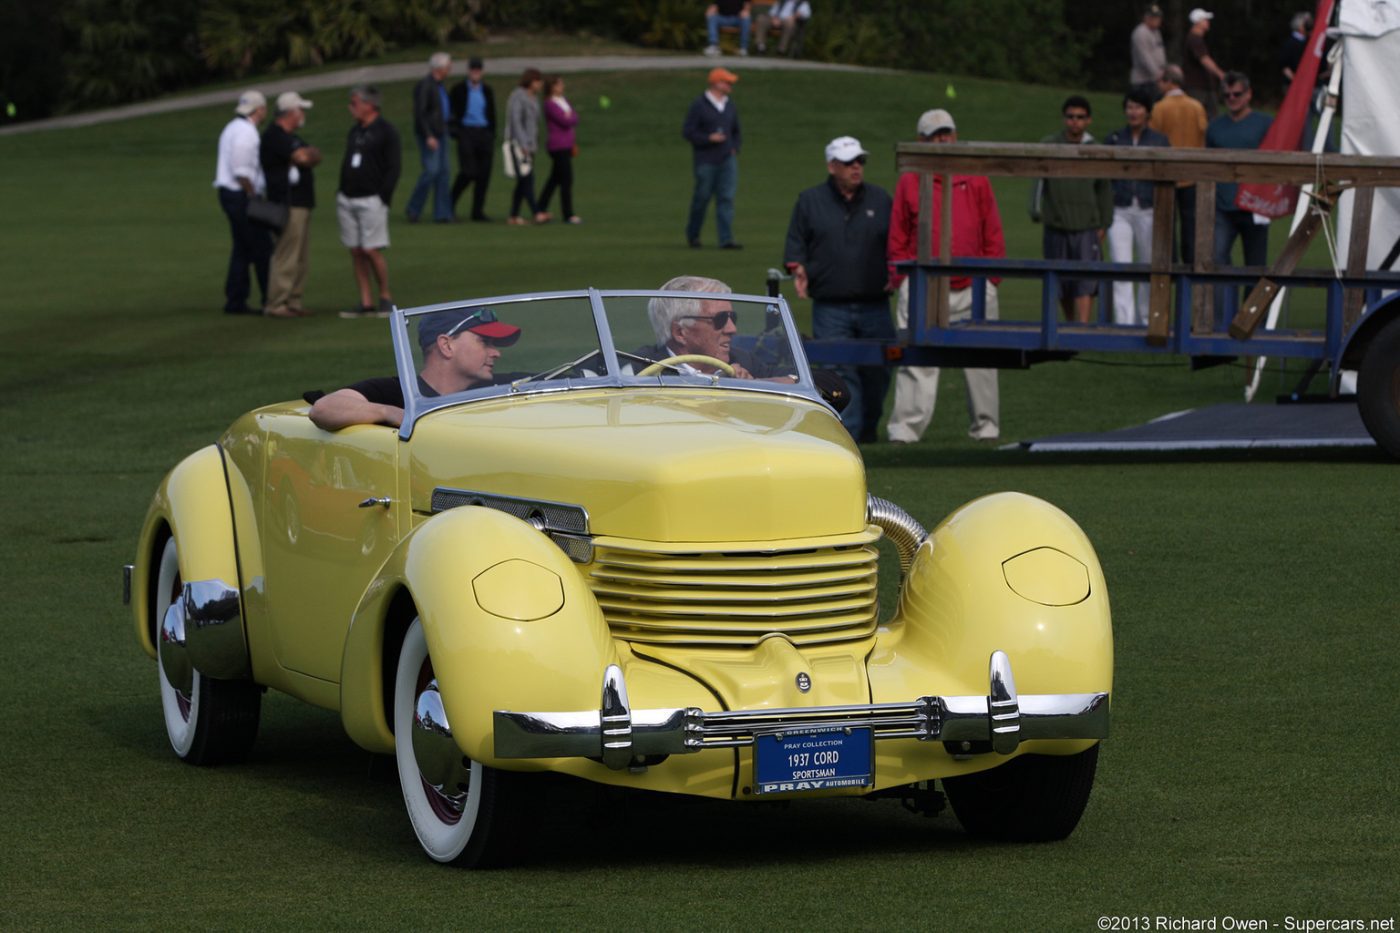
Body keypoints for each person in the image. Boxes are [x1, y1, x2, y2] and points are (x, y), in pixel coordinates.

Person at [886, 109, 1004, 444]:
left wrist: (993, 277)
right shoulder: (910, 178)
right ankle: (905, 430)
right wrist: (900, 278)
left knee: (983, 360)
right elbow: (898, 234)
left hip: (974, 283)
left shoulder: (975, 175)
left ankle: (987, 427)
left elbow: (991, 228)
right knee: (916, 359)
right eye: (936, 135)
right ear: (922, 141)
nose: (943, 140)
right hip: (923, 284)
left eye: (947, 133)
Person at [784, 136, 893, 442]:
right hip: (830, 305)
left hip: (876, 303)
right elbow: (795, 244)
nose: (856, 168)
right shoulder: (810, 200)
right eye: (848, 163)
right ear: (832, 166)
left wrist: (896, 269)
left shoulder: (880, 199)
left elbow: (898, 242)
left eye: (860, 161)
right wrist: (797, 267)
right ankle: (850, 434)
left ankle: (868, 427)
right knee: (840, 372)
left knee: (878, 372)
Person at [310, 307, 522, 430]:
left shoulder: (505, 387)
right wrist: (392, 413)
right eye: (485, 342)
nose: (496, 353)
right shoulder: (397, 393)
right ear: (446, 345)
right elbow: (323, 408)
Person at [1030, 96, 1114, 324]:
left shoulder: (1097, 150)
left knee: (1086, 278)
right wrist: (1036, 211)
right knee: (1061, 280)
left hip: (1087, 225)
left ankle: (1083, 326)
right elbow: (1039, 181)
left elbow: (1104, 190)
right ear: (1064, 119)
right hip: (1057, 223)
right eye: (1070, 117)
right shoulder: (1050, 144)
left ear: (1088, 120)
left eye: (1080, 117)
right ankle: (1069, 323)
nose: (1075, 122)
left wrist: (1105, 222)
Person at [1207, 71, 1273, 329]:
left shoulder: (1265, 124)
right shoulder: (1215, 127)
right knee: (1216, 260)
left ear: (1249, 94)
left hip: (1255, 205)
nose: (1232, 99)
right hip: (1223, 205)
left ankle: (1254, 321)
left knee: (1256, 267)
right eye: (1227, 95)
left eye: (1237, 94)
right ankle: (1222, 320)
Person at [1104, 89, 1170, 326]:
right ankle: (1124, 323)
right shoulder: (1114, 139)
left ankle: (1145, 319)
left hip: (1148, 209)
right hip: (1119, 209)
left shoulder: (1160, 141)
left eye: (1138, 107)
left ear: (1147, 111)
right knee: (1121, 265)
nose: (1133, 112)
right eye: (1130, 107)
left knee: (1147, 266)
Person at [336, 85, 401, 319]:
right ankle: (365, 301)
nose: (351, 108)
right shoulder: (355, 131)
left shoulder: (386, 131)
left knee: (371, 249)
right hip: (348, 197)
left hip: (371, 198)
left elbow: (394, 166)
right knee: (355, 250)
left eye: (355, 103)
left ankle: (384, 295)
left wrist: (384, 196)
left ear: (369, 105)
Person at [260, 91, 321, 319]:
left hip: (301, 203)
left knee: (301, 257)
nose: (303, 115)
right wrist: (306, 155)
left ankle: (293, 300)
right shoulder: (275, 136)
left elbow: (314, 155)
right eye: (300, 110)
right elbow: (304, 158)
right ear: (290, 113)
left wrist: (308, 154)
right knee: (287, 254)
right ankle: (277, 302)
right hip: (287, 204)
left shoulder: (293, 137)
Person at [214, 89, 272, 315]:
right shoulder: (246, 133)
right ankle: (270, 298)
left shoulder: (232, 127)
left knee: (242, 247)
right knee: (261, 247)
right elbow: (242, 172)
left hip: (229, 193)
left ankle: (235, 299)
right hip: (240, 195)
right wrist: (254, 196)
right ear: (259, 110)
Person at [640, 275, 756, 377]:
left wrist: (752, 384)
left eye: (732, 317)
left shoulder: (743, 361)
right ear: (680, 333)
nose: (732, 329)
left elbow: (774, 382)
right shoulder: (639, 370)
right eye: (721, 319)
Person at [1150, 64, 1208, 264]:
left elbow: (1154, 138)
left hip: (1167, 172)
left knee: (1167, 221)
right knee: (1190, 222)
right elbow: (1202, 136)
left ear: (1168, 81)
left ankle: (1170, 262)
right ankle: (1190, 261)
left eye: (1160, 81)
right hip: (1191, 173)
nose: (1158, 85)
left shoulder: (1159, 108)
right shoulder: (1196, 106)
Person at [683, 67, 743, 250]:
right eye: (727, 82)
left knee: (726, 198)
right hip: (706, 160)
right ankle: (693, 236)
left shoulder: (729, 105)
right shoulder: (699, 105)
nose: (730, 85)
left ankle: (726, 239)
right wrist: (708, 138)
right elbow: (688, 132)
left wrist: (734, 148)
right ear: (717, 83)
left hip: (727, 159)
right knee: (702, 198)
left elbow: (736, 131)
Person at [405, 52, 454, 224]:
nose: (450, 69)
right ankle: (413, 208)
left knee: (444, 172)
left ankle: (442, 213)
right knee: (432, 171)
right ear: (439, 68)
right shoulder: (425, 85)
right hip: (431, 135)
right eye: (448, 66)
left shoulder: (439, 85)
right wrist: (428, 135)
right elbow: (420, 113)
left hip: (442, 133)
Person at [448, 57, 496, 222]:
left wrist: (491, 134)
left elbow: (492, 114)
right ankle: (450, 204)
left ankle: (477, 211)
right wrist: (456, 131)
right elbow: (452, 112)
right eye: (473, 70)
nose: (475, 73)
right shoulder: (459, 89)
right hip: (466, 132)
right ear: (468, 71)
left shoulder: (486, 90)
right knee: (468, 171)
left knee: (484, 174)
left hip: (483, 132)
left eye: (478, 70)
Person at [505, 68, 547, 226]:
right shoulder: (518, 96)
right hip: (518, 145)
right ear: (531, 81)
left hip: (530, 145)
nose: (540, 85)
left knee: (523, 182)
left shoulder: (533, 98)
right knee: (527, 179)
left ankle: (513, 216)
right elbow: (516, 121)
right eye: (538, 81)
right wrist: (523, 144)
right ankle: (536, 212)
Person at [537, 75, 581, 224]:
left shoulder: (564, 101)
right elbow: (564, 120)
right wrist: (568, 117)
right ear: (552, 87)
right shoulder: (549, 103)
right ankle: (568, 214)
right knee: (566, 179)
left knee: (555, 179)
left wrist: (570, 117)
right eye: (559, 84)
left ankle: (540, 207)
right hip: (558, 145)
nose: (562, 86)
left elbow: (575, 118)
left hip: (568, 145)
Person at [1183, 8, 1225, 118]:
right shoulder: (1194, 39)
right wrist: (1220, 74)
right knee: (1200, 117)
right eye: (1205, 20)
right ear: (1198, 22)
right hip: (1198, 88)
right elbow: (1204, 59)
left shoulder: (1197, 39)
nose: (1208, 22)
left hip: (1204, 87)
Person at [1129, 4, 1167, 101]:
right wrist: (1158, 75)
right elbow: (1145, 57)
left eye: (1158, 17)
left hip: (1154, 80)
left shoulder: (1156, 32)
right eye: (1154, 17)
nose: (1158, 20)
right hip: (1143, 81)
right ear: (1146, 18)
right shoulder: (1141, 32)